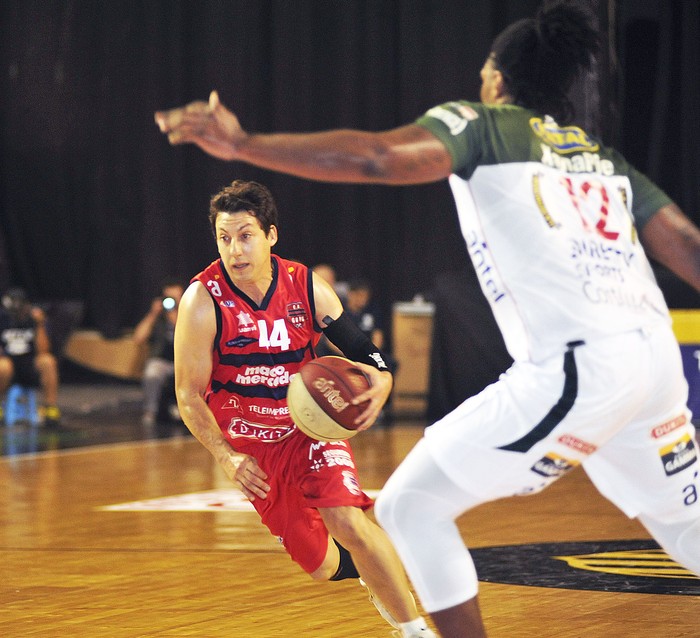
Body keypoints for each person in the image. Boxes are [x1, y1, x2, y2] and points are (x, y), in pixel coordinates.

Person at [155, 2, 700, 635]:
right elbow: (686, 245)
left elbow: (375, 158)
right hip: (658, 361)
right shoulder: (600, 156)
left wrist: (243, 144)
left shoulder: (483, 122)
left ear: (497, 78)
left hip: (583, 364)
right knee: (687, 525)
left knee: (412, 505)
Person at [173, 180, 434, 637]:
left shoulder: (305, 286)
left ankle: (414, 629)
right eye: (225, 238)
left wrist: (383, 380)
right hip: (254, 450)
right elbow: (189, 394)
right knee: (320, 565)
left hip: (309, 429)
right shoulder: (203, 300)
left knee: (347, 519)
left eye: (246, 235)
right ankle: (373, 572)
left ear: (271, 235)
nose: (235, 249)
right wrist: (226, 456)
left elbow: (367, 354)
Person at [0, 288, 61, 426]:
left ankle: (50, 407)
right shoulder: (2, 319)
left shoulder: (35, 320)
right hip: (9, 366)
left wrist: (39, 324)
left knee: (48, 361)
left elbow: (44, 350)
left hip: (30, 365)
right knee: (2, 366)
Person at [133, 278, 185, 426]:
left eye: (176, 298)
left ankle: (187, 411)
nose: (172, 302)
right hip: (161, 360)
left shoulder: (189, 315)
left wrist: (176, 316)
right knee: (152, 373)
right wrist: (153, 314)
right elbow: (138, 338)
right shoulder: (157, 316)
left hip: (184, 362)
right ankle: (151, 410)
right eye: (169, 298)